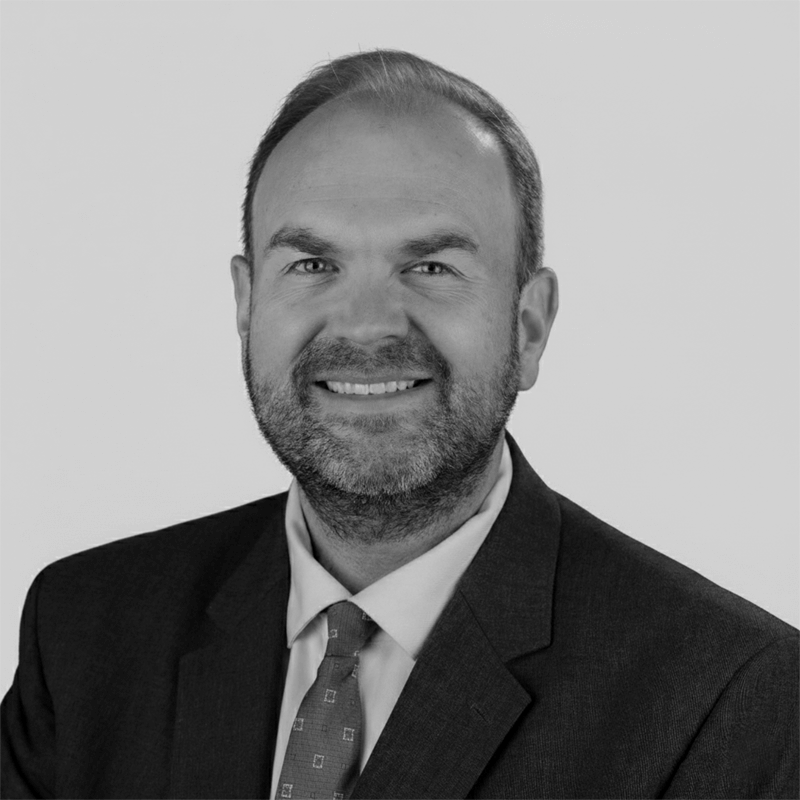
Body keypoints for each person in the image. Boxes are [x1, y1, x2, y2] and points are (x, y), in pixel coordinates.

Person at [1, 48, 798, 800]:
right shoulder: (84, 629)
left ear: (528, 327)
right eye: (312, 264)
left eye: (431, 267)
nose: (368, 324)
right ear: (246, 305)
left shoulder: (726, 700)